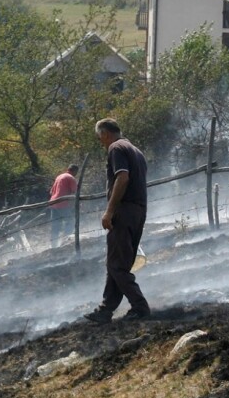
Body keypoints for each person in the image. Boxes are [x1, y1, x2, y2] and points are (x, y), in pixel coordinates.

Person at [84, 118, 151, 324]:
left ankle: (140, 308)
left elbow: (122, 178)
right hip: (138, 211)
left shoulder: (116, 147)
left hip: (124, 211)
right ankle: (106, 310)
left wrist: (109, 211)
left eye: (99, 138)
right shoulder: (135, 150)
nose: (101, 142)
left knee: (117, 266)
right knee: (118, 263)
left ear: (105, 134)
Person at [48, 164, 79, 248]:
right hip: (63, 204)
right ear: (75, 171)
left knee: (55, 226)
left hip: (53, 203)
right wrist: (74, 206)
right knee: (70, 223)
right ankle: (65, 244)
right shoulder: (71, 178)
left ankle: (53, 246)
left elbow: (51, 192)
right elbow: (75, 193)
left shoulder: (59, 177)